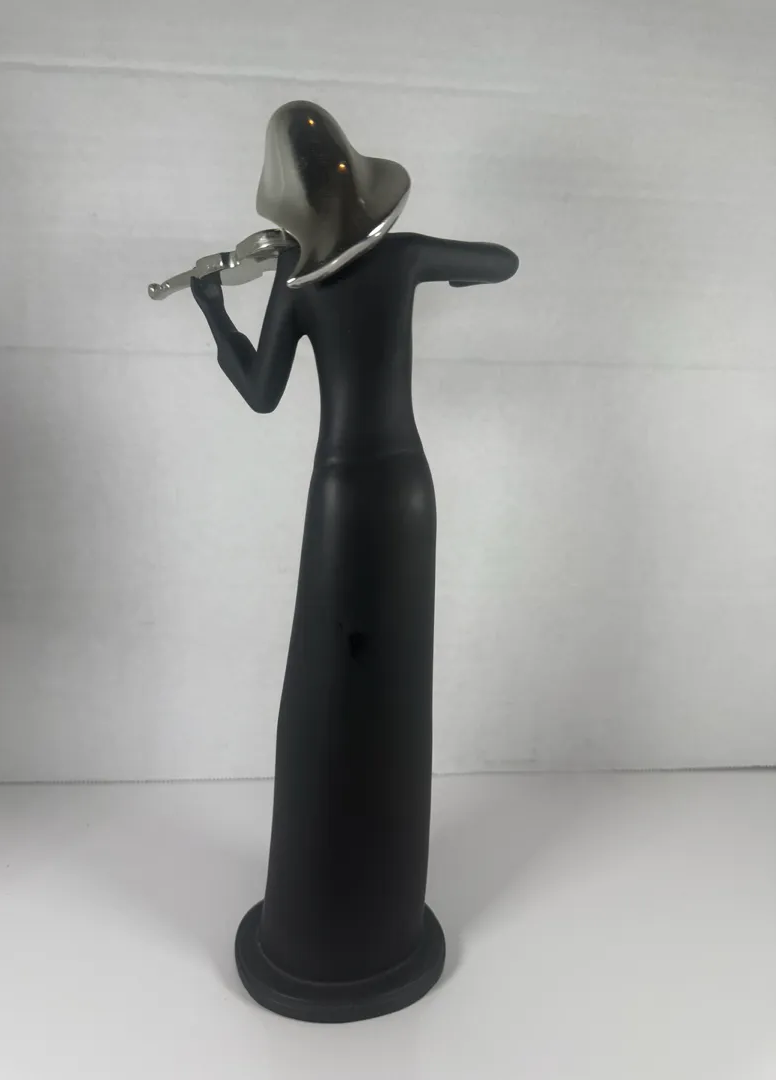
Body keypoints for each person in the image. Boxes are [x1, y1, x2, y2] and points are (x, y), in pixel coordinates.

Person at [189, 101, 519, 1022]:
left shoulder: (297, 285)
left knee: (328, 689)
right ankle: (374, 917)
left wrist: (215, 307)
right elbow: (503, 262)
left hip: (342, 495)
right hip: (408, 492)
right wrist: (443, 268)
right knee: (391, 687)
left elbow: (259, 393)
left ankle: (327, 919)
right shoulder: (401, 257)